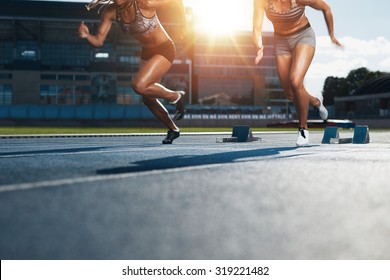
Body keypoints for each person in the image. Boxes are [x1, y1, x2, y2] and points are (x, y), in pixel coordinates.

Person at [78, 0, 187, 144]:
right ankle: (173, 129)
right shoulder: (110, 12)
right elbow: (98, 41)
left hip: (164, 48)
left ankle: (176, 96)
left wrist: (184, 25)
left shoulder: (144, 3)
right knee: (147, 97)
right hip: (147, 52)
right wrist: (86, 36)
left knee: (139, 85)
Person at [253, 0, 342, 146]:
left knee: (295, 81)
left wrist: (331, 35)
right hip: (281, 43)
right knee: (289, 94)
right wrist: (258, 45)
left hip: (303, 37)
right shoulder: (261, 1)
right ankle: (315, 102)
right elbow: (256, 28)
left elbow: (326, 8)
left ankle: (303, 128)